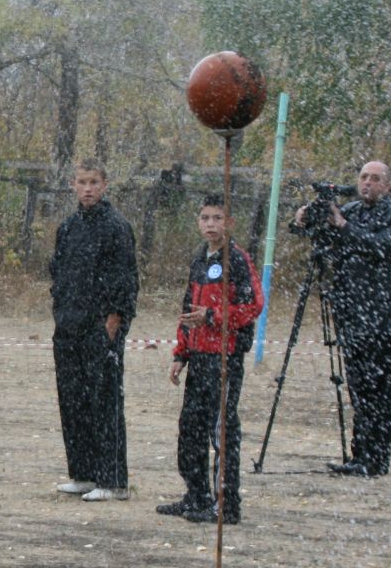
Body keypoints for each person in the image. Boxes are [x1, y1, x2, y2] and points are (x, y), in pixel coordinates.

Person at [294, 160, 391, 477]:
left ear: (387, 186)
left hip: (383, 316)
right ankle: (359, 455)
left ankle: (376, 460)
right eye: (363, 177)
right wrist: (306, 221)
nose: (367, 183)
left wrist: (342, 226)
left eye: (375, 179)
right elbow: (322, 234)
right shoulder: (351, 210)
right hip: (351, 313)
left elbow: (380, 247)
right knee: (359, 388)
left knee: (380, 391)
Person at [159, 195, 263, 524]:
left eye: (217, 218)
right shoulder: (199, 260)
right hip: (199, 358)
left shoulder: (238, 260)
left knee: (221, 432)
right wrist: (181, 352)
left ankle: (225, 505)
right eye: (205, 218)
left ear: (228, 223)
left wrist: (215, 316)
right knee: (190, 429)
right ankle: (196, 494)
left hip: (224, 358)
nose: (211, 224)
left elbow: (253, 306)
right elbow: (189, 309)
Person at [49, 162, 138, 501]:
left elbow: (125, 278)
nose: (88, 188)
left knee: (105, 401)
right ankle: (83, 473)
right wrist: (60, 311)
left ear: (105, 185)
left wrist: (114, 320)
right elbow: (58, 273)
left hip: (100, 328)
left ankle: (113, 480)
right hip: (69, 326)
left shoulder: (116, 227)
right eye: (82, 182)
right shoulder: (68, 228)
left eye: (94, 182)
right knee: (73, 401)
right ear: (72, 185)